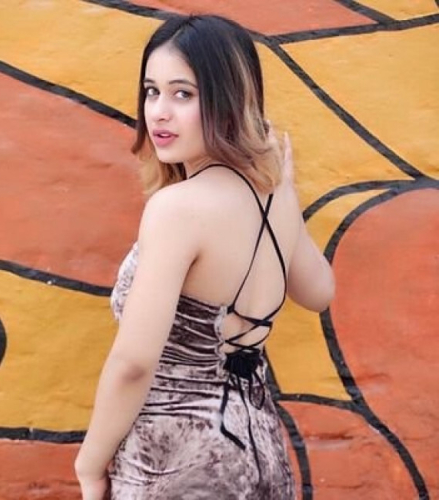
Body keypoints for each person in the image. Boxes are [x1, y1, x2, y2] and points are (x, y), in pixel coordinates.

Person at [74, 14, 335, 500]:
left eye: (183, 94)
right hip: (261, 453)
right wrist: (285, 194)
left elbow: (134, 362)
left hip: (176, 460)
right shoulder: (271, 195)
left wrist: (90, 464)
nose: (159, 112)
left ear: (229, 101)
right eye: (151, 91)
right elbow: (319, 292)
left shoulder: (177, 209)